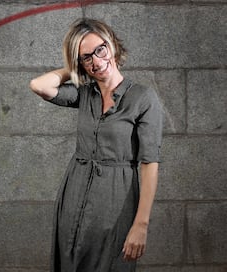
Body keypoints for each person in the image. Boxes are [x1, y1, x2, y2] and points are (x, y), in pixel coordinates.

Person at [29, 18, 163, 272]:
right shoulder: (84, 94)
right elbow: (39, 86)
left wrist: (141, 224)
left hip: (116, 197)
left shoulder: (143, 98)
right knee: (70, 261)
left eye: (100, 50)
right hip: (74, 192)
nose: (97, 62)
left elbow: (149, 163)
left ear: (111, 44)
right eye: (86, 57)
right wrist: (73, 68)